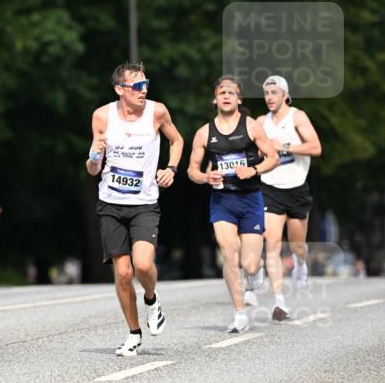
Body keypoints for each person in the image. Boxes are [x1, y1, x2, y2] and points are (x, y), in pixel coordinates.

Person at [87, 62, 184, 357]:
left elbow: (177, 140)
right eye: (137, 86)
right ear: (120, 89)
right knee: (123, 272)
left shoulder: (157, 111)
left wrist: (171, 168)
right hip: (111, 203)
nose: (144, 91)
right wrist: (93, 158)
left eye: (146, 85)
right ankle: (133, 334)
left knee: (142, 265)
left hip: (144, 203)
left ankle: (152, 300)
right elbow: (93, 169)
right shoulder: (102, 116)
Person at [188, 75, 279, 334]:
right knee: (229, 252)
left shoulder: (252, 127)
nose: (226, 96)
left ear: (239, 99)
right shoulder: (204, 133)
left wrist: (254, 170)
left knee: (249, 264)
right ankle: (239, 314)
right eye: (221, 92)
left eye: (231, 92)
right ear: (214, 99)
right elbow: (192, 171)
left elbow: (272, 157)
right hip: (222, 200)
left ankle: (257, 268)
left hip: (250, 199)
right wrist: (206, 177)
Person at [255, 75, 322, 316]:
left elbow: (315, 148)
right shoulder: (261, 122)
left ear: (285, 95)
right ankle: (279, 301)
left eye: (274, 92)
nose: (269, 97)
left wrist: (283, 147)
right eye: (266, 93)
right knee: (271, 243)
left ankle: (300, 264)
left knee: (297, 245)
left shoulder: (298, 117)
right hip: (270, 188)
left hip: (296, 188)